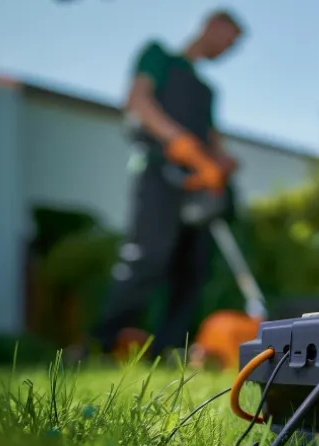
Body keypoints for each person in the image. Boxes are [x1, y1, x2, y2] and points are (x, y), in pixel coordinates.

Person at [74, 10, 244, 362]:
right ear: (214, 24)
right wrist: (180, 142)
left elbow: (210, 137)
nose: (229, 49)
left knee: (192, 268)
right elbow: (138, 101)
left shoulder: (207, 89)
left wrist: (219, 159)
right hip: (157, 172)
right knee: (147, 258)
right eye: (229, 40)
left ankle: (166, 350)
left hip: (195, 185)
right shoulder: (159, 56)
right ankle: (99, 345)